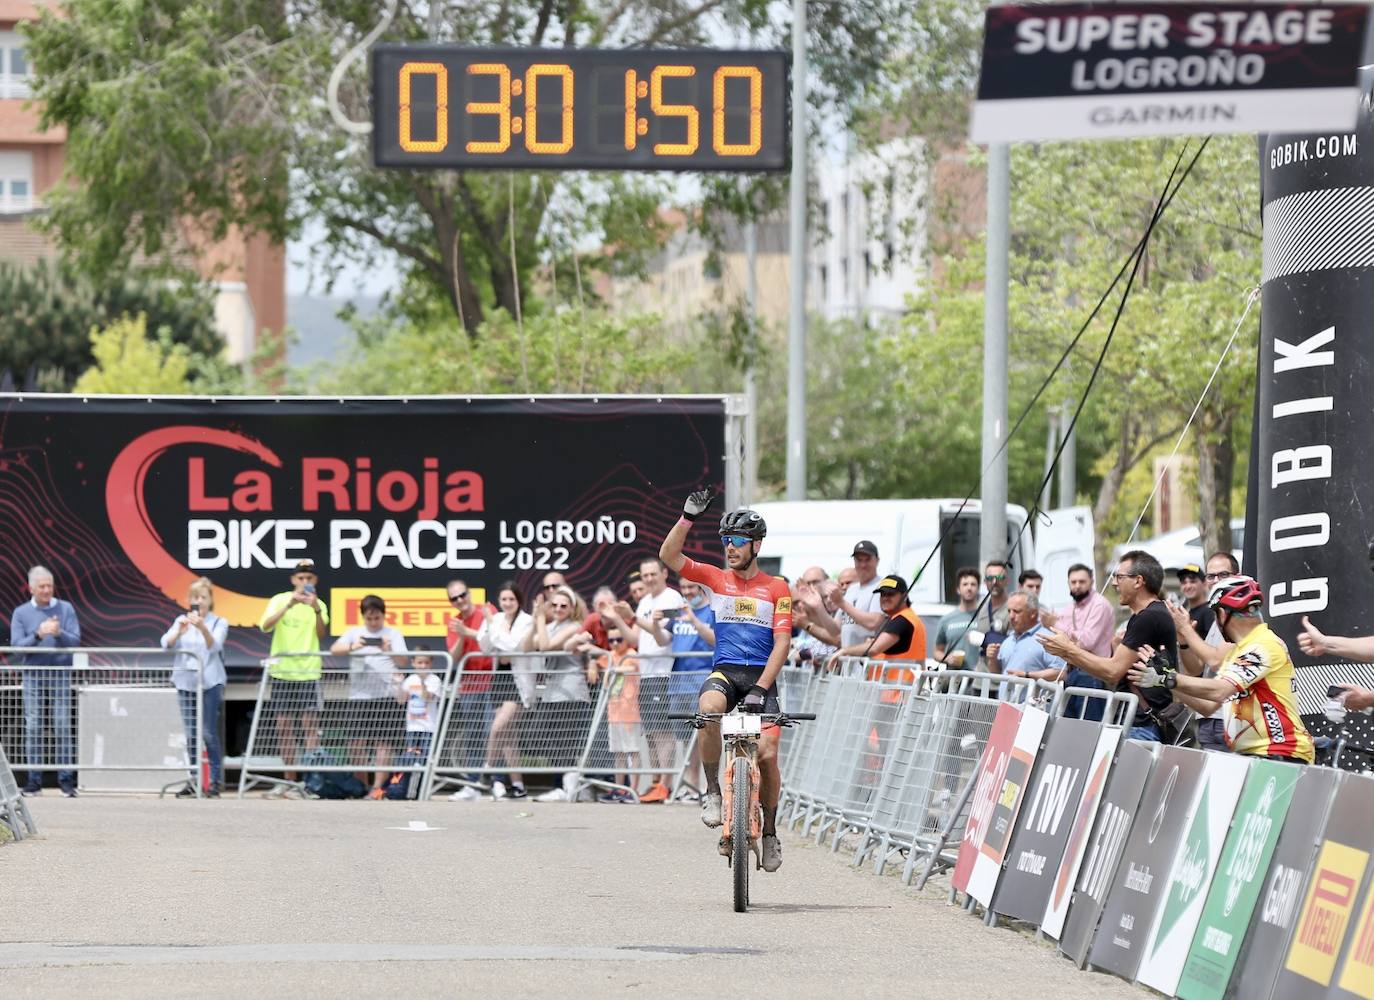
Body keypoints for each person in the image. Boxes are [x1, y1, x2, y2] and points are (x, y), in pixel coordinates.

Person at [659, 491, 792, 874]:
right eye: (725, 540)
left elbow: (782, 643)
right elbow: (669, 557)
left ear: (756, 545)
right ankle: (714, 792)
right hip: (726, 672)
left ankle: (768, 832)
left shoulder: (778, 588)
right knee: (708, 711)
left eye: (736, 541)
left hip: (761, 678)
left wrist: (761, 689)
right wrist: (687, 517)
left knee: (766, 756)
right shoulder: (715, 579)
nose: (729, 547)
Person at [1129, 576, 1313, 764]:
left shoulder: (1264, 645)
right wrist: (1164, 680)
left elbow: (1220, 690)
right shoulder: (1239, 651)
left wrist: (1169, 678)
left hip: (1283, 754)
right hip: (1255, 756)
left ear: (1222, 614)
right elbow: (1207, 706)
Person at [1039, 550, 1178, 742]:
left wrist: (1068, 650)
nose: (1114, 583)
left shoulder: (1149, 617)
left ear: (1138, 581)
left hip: (1141, 725)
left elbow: (1112, 671)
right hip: (1135, 721)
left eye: (1119, 577)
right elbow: (1115, 670)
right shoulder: (1145, 616)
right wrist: (1070, 653)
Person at [259, 559, 330, 796]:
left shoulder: (318, 603)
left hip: (309, 672)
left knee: (310, 728)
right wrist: (289, 604)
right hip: (283, 672)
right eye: (300, 578)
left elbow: (322, 634)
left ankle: (311, 782)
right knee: (284, 728)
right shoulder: (280, 599)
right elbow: (265, 626)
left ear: (315, 581)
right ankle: (290, 781)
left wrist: (316, 609)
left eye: (309, 578)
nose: (305, 582)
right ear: (293, 580)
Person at [330, 594, 408, 800]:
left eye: (377, 618)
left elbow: (403, 661)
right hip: (359, 696)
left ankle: (377, 787)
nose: (373, 623)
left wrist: (388, 649)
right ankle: (360, 785)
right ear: (363, 616)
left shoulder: (393, 633)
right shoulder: (354, 633)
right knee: (355, 742)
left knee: (383, 744)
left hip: (386, 695)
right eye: (369, 619)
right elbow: (334, 650)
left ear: (383, 615)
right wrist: (353, 647)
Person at [13, 565, 81, 796]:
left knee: (62, 726)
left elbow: (76, 642)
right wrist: (38, 635)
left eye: (49, 585)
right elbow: (16, 648)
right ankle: (34, 781)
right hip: (33, 674)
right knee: (33, 727)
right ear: (31, 588)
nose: (46, 590)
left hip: (59, 672)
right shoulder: (21, 613)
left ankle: (66, 781)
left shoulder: (66, 608)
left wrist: (58, 632)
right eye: (41, 586)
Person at [525, 584, 596, 802]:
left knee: (565, 741)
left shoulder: (574, 625)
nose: (558, 608)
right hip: (552, 692)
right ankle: (573, 786)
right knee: (545, 738)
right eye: (554, 604)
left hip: (570, 690)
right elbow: (528, 647)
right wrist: (537, 622)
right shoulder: (551, 625)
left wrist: (538, 619)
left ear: (572, 608)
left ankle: (571, 788)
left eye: (563, 605)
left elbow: (546, 647)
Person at [1166, 552, 1241, 752]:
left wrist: (1186, 631)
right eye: (1211, 576)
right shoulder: (1218, 616)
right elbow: (1196, 668)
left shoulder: (1241, 615)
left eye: (1223, 575)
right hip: (1208, 717)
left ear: (1237, 576)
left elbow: (1216, 661)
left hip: (1234, 720)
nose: (1216, 581)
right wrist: (1183, 642)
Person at [160, 576, 228, 798]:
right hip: (185, 682)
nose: (199, 600)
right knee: (190, 734)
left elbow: (215, 646)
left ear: (210, 600)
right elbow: (165, 644)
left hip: (210, 682)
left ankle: (215, 780)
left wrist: (203, 629)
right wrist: (180, 630)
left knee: (208, 733)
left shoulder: (219, 622)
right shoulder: (182, 620)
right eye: (195, 597)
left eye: (203, 597)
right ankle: (194, 779)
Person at [632, 557, 686, 803]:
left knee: (663, 732)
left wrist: (638, 620)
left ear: (665, 573)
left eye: (653, 574)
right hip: (646, 672)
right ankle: (655, 782)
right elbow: (636, 639)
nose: (649, 579)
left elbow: (664, 637)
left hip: (664, 671)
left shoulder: (672, 598)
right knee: (652, 733)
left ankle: (666, 783)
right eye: (645, 575)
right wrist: (622, 618)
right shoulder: (644, 601)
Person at [475, 582, 534, 800]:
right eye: (504, 600)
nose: (508, 604)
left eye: (512, 599)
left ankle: (485, 773)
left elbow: (513, 646)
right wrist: (490, 625)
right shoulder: (496, 619)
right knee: (508, 738)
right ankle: (519, 786)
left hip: (519, 683)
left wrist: (493, 628)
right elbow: (485, 646)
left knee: (498, 729)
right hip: (500, 679)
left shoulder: (527, 621)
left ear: (518, 601)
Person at [1040, 563, 1113, 720]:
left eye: (1082, 581)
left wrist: (1055, 623)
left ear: (1091, 582)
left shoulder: (1100, 604)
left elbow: (1087, 641)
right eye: (1073, 582)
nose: (1077, 586)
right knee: (1069, 724)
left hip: (1092, 673)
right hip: (1073, 672)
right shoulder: (1071, 607)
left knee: (1088, 726)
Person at [443, 579, 497, 793]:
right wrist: (461, 635)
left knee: (494, 733)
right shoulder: (455, 623)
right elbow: (453, 657)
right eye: (454, 598)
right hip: (470, 687)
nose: (459, 600)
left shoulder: (488, 610)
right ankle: (474, 784)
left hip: (493, 684)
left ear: (470, 593)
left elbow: (496, 639)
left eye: (462, 595)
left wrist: (468, 632)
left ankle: (497, 781)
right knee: (474, 736)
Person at [597, 627, 641, 803]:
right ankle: (619, 789)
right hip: (613, 712)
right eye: (611, 640)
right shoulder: (611, 655)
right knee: (619, 754)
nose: (615, 644)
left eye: (619, 639)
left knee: (633, 752)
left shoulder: (631, 653)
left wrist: (610, 668)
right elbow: (598, 660)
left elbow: (629, 666)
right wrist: (594, 664)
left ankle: (633, 790)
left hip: (630, 713)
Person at [991, 592, 1066, 683]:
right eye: (1009, 611)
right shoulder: (1008, 640)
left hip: (1031, 697)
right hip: (1004, 697)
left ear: (1033, 613)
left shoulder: (1047, 638)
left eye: (1017, 611)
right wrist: (992, 659)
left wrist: (1028, 675)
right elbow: (997, 676)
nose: (1011, 616)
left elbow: (1061, 673)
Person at [824, 541, 884, 650]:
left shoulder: (882, 585)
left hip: (868, 662)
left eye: (867, 559)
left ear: (877, 560)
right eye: (859, 560)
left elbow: (873, 622)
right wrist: (816, 607)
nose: (863, 564)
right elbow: (835, 630)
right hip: (848, 662)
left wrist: (841, 603)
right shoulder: (852, 589)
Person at [397, 645, 443, 766]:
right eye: (420, 663)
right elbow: (401, 700)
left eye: (426, 663)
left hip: (428, 728)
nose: (423, 666)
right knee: (410, 758)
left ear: (431, 663)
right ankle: (406, 782)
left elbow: (427, 697)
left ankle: (422, 782)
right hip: (413, 727)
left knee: (425, 759)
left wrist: (423, 681)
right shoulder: (410, 679)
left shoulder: (434, 680)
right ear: (413, 663)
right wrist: (399, 685)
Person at [934, 567, 982, 669]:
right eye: (965, 584)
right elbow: (937, 651)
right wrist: (947, 658)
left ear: (978, 589)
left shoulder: (984, 617)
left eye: (973, 584)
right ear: (958, 589)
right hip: (953, 680)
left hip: (978, 680)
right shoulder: (946, 620)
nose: (969, 588)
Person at [974, 560, 1012, 670]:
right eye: (990, 578)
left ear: (1007, 581)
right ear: (985, 582)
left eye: (999, 578)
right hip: (980, 678)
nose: (994, 582)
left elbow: (1017, 644)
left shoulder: (1014, 608)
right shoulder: (980, 607)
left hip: (1004, 677)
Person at [1175, 563, 1216, 638]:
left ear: (1204, 584)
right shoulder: (1187, 613)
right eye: (1184, 582)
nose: (1188, 586)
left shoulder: (1209, 611)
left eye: (1193, 581)